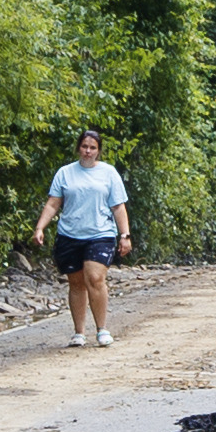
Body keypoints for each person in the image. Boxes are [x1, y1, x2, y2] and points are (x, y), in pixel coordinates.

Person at [30, 129, 135, 348]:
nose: (88, 151)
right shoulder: (65, 173)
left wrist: (124, 235)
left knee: (95, 278)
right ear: (79, 147)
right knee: (76, 282)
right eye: (85, 147)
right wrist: (40, 228)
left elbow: (118, 206)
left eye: (92, 148)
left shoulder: (109, 173)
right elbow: (53, 203)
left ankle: (102, 329)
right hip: (70, 234)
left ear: (99, 151)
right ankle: (79, 332)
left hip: (101, 234)